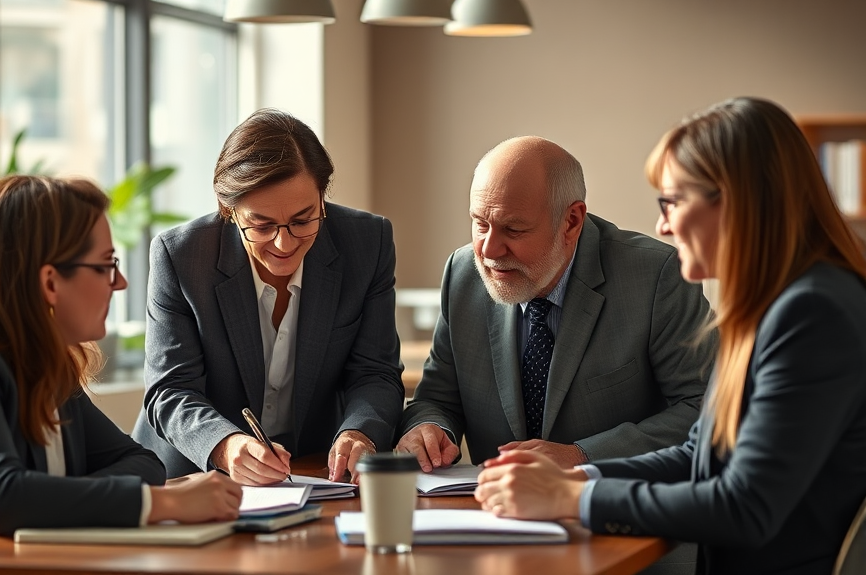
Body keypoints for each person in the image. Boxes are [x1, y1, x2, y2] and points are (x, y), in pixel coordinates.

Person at [475, 97, 866, 575]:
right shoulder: (776, 305)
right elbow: (698, 456)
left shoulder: (812, 312)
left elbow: (746, 506)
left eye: (672, 203)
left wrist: (573, 497)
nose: (662, 225)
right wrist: (574, 477)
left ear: (738, 202)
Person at [0, 175, 242, 539]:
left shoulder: (42, 358)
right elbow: (2, 497)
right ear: (50, 282)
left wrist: (56, 495)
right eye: (106, 266)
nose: (120, 282)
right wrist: (161, 503)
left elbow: (141, 461)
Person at [395, 135, 716, 473]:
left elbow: (706, 408)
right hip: (494, 510)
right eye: (480, 223)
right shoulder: (462, 274)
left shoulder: (654, 277)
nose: (488, 251)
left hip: (614, 505)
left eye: (514, 229)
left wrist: (582, 456)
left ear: (571, 222)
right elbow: (436, 398)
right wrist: (427, 428)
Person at [132, 108, 405, 485]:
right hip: (191, 478)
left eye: (302, 219)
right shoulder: (182, 256)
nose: (284, 242)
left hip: (315, 473)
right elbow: (170, 389)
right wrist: (226, 445)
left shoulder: (367, 242)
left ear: (322, 198)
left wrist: (358, 433)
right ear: (229, 210)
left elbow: (375, 372)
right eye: (261, 225)